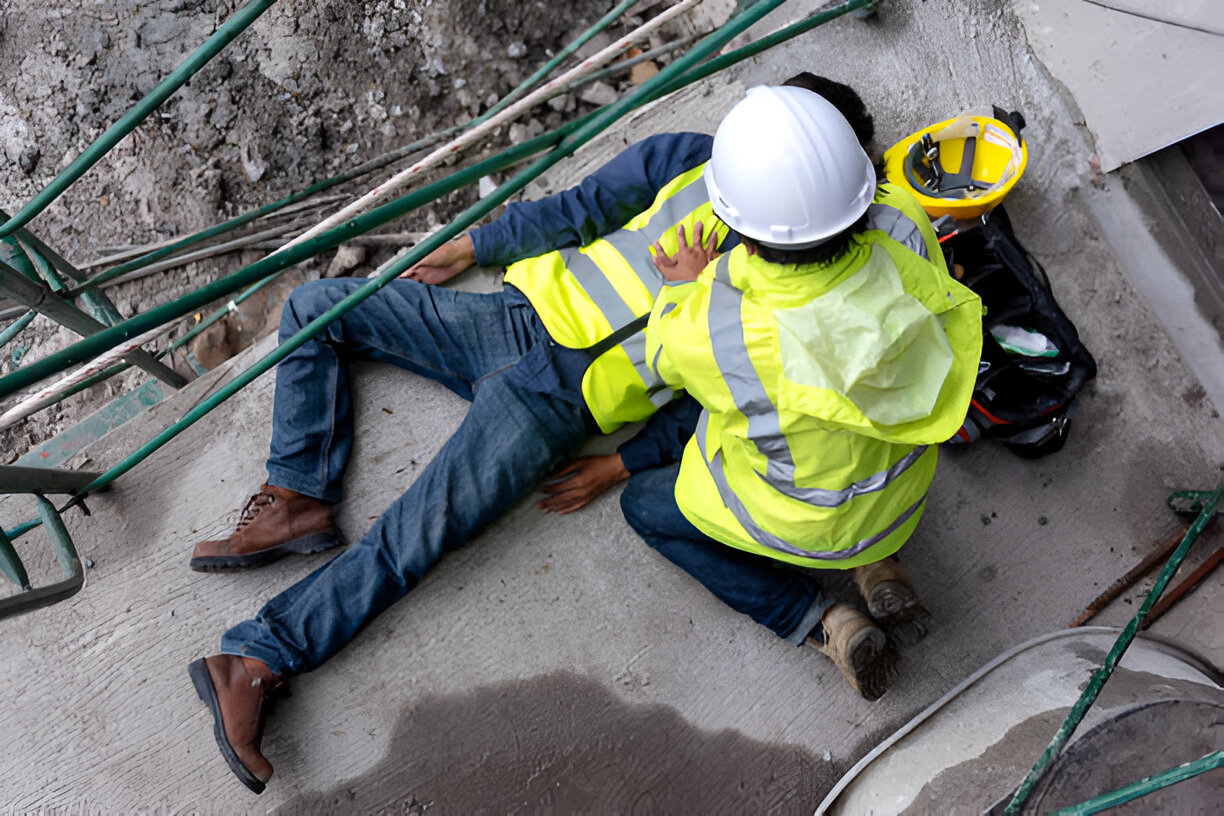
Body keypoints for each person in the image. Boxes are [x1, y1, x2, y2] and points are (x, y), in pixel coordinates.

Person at [186, 76, 892, 793]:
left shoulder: (790, 287)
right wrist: (477, 244)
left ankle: (255, 660)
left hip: (557, 404)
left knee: (411, 539)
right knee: (315, 308)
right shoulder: (689, 157)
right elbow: (581, 209)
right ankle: (296, 496)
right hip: (512, 316)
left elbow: (719, 406)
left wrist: (621, 461)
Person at [616, 86, 983, 701]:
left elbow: (663, 361)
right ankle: (877, 568)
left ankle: (827, 625)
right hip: (903, 491)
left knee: (645, 508)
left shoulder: (718, 323)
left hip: (801, 522)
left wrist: (684, 285)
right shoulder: (906, 225)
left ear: (739, 230)